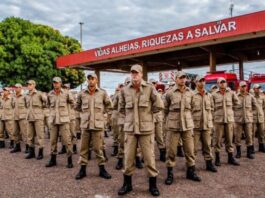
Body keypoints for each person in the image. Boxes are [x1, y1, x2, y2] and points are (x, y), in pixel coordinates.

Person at [118, 64, 163, 197]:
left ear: (141, 74)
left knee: (149, 158)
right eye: (132, 72)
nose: (134, 75)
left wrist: (148, 115)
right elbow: (121, 108)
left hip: (146, 129)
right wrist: (130, 118)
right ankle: (127, 184)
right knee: (128, 158)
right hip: (130, 129)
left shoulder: (149, 88)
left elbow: (159, 105)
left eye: (137, 72)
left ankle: (153, 185)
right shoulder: (125, 90)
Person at [164, 71, 201, 186]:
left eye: (184, 78)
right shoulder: (169, 93)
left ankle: (191, 172)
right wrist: (169, 121)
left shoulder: (190, 93)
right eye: (180, 78)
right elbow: (165, 109)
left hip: (187, 125)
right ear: (176, 79)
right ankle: (170, 174)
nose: (182, 80)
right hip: (173, 125)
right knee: (171, 151)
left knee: (190, 150)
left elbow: (194, 107)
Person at [75, 73, 112, 180]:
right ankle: (82, 170)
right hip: (85, 125)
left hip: (97, 125)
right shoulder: (82, 93)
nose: (90, 81)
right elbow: (77, 106)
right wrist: (85, 114)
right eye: (89, 79)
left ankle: (102, 170)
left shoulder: (102, 93)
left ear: (96, 80)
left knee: (98, 148)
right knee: (83, 149)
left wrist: (100, 114)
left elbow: (109, 106)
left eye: (92, 79)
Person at [45, 77, 74, 168]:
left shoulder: (66, 93)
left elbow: (73, 103)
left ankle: (69, 160)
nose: (55, 84)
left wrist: (68, 114)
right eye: (54, 82)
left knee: (67, 141)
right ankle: (53, 160)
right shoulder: (50, 94)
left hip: (64, 120)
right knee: (53, 141)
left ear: (60, 83)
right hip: (53, 121)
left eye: (57, 82)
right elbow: (48, 105)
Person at [212, 77, 240, 166]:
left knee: (229, 138)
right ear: (218, 84)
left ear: (226, 83)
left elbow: (237, 103)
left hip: (229, 119)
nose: (223, 84)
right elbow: (211, 107)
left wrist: (230, 111)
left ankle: (230, 157)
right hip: (218, 120)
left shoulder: (231, 93)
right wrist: (214, 115)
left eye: (224, 82)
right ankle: (217, 158)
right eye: (221, 82)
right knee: (217, 139)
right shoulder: (214, 94)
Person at [191, 75, 217, 172]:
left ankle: (209, 164)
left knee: (207, 146)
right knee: (192, 148)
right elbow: (188, 110)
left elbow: (212, 110)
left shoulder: (209, 95)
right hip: (195, 126)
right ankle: (191, 166)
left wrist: (211, 122)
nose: (202, 82)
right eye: (200, 81)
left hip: (207, 126)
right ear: (196, 82)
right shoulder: (192, 95)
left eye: (203, 81)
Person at [25, 80, 47, 160]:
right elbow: (26, 105)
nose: (29, 86)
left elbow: (47, 101)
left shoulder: (39, 93)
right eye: (28, 84)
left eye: (30, 84)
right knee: (30, 136)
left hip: (38, 117)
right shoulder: (26, 95)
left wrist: (43, 108)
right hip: (29, 117)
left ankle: (40, 152)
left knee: (40, 135)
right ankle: (32, 152)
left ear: (34, 85)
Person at [234, 81, 256, 159]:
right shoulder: (235, 96)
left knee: (249, 136)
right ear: (239, 87)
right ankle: (238, 152)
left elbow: (254, 106)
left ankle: (249, 153)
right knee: (238, 137)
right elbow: (232, 107)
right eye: (242, 86)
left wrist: (250, 114)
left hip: (248, 120)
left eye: (245, 86)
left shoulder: (250, 96)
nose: (244, 87)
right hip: (238, 120)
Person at [11, 84, 28, 153]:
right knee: (15, 132)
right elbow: (12, 106)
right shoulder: (13, 97)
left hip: (22, 117)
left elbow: (28, 106)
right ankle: (17, 147)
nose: (17, 89)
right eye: (15, 87)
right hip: (15, 117)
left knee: (25, 133)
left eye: (18, 87)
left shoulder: (24, 97)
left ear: (21, 88)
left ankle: (28, 147)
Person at [252, 84, 265, 153]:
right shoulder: (251, 97)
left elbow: (263, 107)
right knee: (252, 133)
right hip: (253, 118)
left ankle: (261, 147)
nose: (258, 89)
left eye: (259, 88)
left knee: (261, 133)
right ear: (254, 89)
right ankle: (252, 147)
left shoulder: (262, 97)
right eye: (257, 88)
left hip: (260, 117)